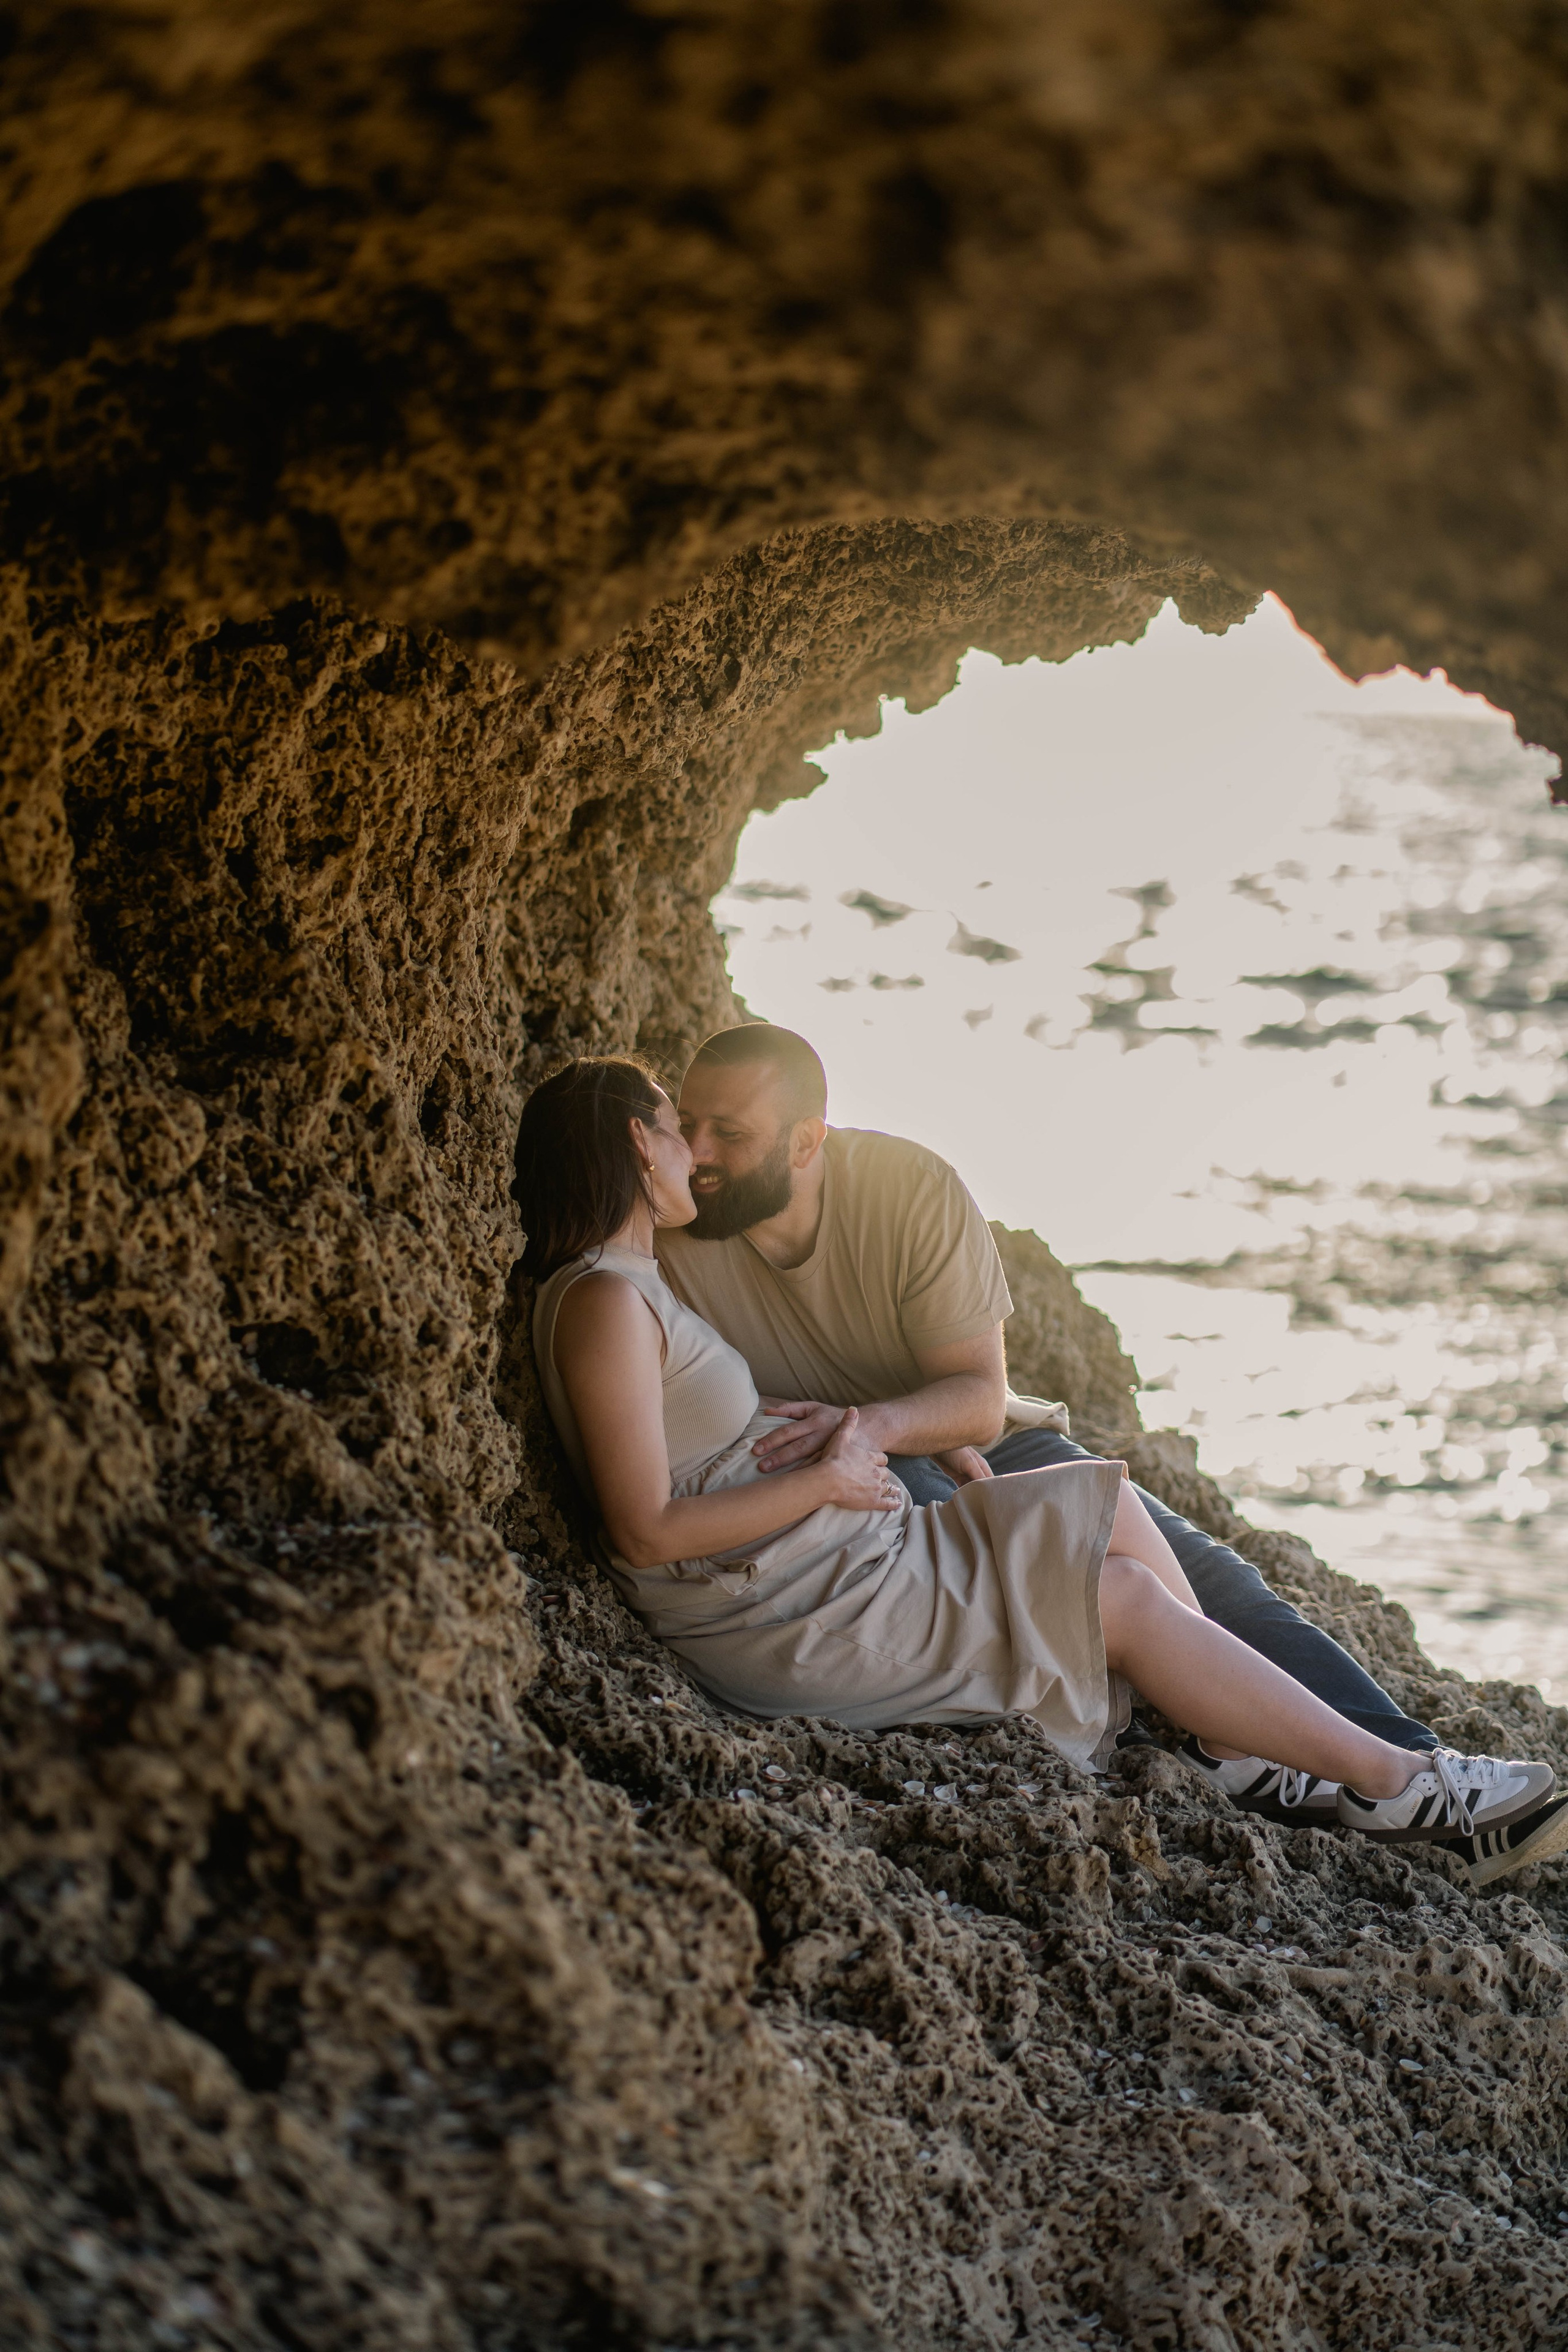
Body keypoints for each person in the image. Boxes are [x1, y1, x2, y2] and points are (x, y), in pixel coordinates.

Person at [516, 1054, 1555, 1856]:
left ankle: (1236, 1749)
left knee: (1099, 1498)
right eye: (672, 1125)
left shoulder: (631, 1282)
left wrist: (808, 1428)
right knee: (1129, 1602)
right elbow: (641, 1528)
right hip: (786, 1610)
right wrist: (829, 1477)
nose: (690, 1148)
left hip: (812, 1564)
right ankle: (1394, 1784)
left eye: (711, 1130)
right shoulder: (609, 1295)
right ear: (631, 1146)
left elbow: (685, 1424)